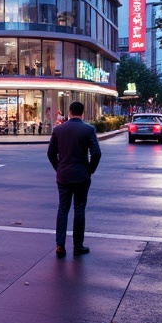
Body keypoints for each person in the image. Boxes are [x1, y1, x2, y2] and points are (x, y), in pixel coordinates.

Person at [47, 101, 101, 257]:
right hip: (81, 175)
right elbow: (96, 153)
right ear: (82, 113)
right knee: (79, 208)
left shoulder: (58, 130)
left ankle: (60, 245)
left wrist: (59, 168)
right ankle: (78, 245)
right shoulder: (88, 129)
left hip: (63, 175)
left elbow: (51, 154)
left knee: (63, 209)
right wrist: (89, 169)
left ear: (69, 112)